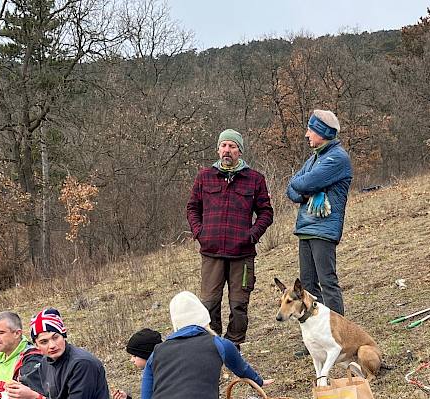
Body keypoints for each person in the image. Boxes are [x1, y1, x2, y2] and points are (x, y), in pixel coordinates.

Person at [186, 129, 274, 348]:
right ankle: (213, 346)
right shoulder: (204, 177)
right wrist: (200, 233)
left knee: (238, 305)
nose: (227, 150)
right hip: (211, 253)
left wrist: (252, 235)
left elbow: (266, 212)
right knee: (209, 304)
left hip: (242, 255)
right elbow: (192, 208)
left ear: (239, 151)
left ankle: (233, 346)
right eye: (223, 145)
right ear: (218, 149)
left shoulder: (254, 179)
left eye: (232, 146)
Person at [140, 291, 273, 399]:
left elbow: (146, 394)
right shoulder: (219, 344)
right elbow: (242, 369)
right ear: (204, 317)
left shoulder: (156, 353)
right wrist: (259, 382)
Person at [286, 110, 352, 317]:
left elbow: (302, 182)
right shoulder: (315, 159)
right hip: (306, 229)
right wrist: (307, 193)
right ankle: (317, 338)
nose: (307, 135)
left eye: (310, 130)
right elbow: (291, 189)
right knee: (307, 286)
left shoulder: (337, 158)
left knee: (328, 283)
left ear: (321, 132)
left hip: (323, 230)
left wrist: (306, 186)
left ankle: (339, 335)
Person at [4, 308, 109, 399]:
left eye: (55, 337)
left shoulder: (82, 364)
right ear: (36, 345)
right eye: (44, 342)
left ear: (63, 335)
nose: (52, 345)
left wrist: (34, 396)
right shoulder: (46, 361)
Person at [112, 328, 162, 399]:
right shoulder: (157, 372)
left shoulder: (159, 379)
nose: (131, 360)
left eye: (135, 356)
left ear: (146, 354)